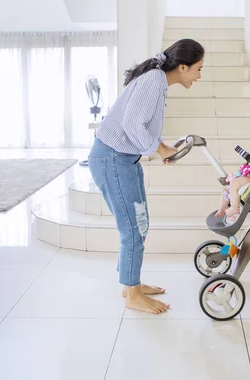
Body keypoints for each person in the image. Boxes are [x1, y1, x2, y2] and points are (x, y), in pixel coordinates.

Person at [87, 39, 205, 315]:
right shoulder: (154, 80)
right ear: (183, 67)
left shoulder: (158, 82)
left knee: (140, 224)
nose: (199, 76)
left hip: (123, 158)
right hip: (113, 158)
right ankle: (132, 292)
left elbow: (139, 123)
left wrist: (159, 146)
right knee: (132, 228)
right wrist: (161, 149)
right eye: (198, 69)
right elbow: (131, 124)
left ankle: (131, 285)